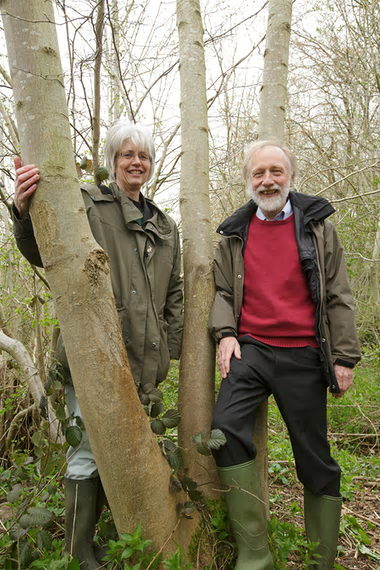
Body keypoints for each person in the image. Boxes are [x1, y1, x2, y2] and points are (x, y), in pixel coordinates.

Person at [12, 121, 184, 569]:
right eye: (127, 155)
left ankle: (117, 537)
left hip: (146, 364)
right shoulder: (87, 203)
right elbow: (45, 251)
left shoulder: (166, 225)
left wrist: (171, 348)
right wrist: (24, 213)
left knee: (130, 450)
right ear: (112, 161)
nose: (136, 163)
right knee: (87, 450)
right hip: (93, 355)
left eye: (143, 156)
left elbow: (174, 295)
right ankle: (78, 553)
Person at [208, 140, 361, 570]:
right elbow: (223, 291)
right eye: (259, 173)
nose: (267, 180)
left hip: (305, 354)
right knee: (223, 430)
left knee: (314, 458)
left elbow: (338, 295)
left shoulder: (317, 228)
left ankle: (320, 561)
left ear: (290, 176)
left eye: (276, 171)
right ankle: (256, 557)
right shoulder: (234, 235)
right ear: (248, 180)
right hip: (252, 349)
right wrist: (225, 333)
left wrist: (344, 356)